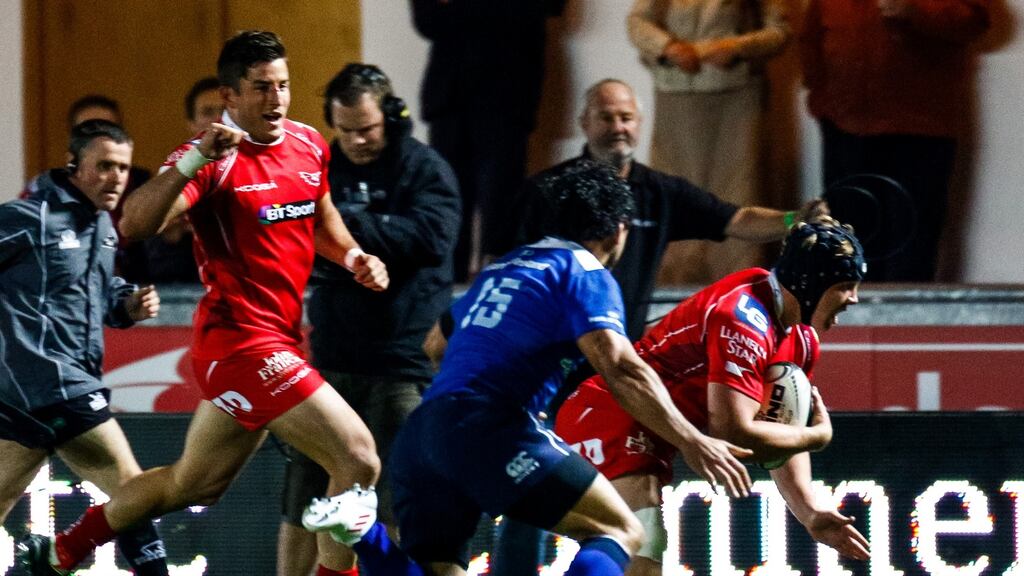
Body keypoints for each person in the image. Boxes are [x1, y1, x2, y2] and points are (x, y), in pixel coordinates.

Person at [15, 30, 389, 576]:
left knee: (194, 484)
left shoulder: (309, 143)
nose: (276, 100)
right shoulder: (215, 158)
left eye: (283, 86)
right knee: (357, 458)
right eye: (261, 88)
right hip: (240, 345)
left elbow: (321, 217)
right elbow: (136, 225)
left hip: (276, 344)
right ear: (230, 96)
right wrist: (192, 161)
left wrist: (354, 255)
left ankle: (61, 552)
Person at [302, 161, 754, 576]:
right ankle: (367, 533)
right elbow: (622, 367)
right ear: (619, 230)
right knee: (620, 531)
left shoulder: (506, 267)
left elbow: (435, 346)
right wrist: (693, 440)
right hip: (492, 424)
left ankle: (366, 535)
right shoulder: (584, 272)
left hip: (425, 432)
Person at [555, 219, 872, 574]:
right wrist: (818, 436)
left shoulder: (801, 339)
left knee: (635, 547)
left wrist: (809, 509)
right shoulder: (743, 318)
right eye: (845, 286)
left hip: (652, 429)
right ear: (811, 283)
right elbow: (733, 432)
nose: (854, 298)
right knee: (640, 545)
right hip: (611, 412)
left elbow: (780, 429)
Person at [276, 63, 460, 576]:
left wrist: (343, 230)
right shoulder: (322, 169)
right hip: (330, 361)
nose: (357, 140)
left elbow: (432, 238)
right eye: (346, 129)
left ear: (392, 117)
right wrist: (356, 240)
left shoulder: (425, 169)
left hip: (400, 367)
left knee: (388, 499)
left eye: (368, 129)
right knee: (304, 496)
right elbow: (295, 241)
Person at [505, 79, 827, 340]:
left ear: (639, 123)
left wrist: (794, 219)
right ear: (584, 123)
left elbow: (737, 219)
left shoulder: (660, 192)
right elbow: (506, 265)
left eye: (626, 117)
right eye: (606, 117)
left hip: (619, 348)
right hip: (546, 349)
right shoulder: (546, 190)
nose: (618, 127)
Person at [1, 119, 167, 575]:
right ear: (75, 165)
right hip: (55, 384)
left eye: (125, 168)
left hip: (32, 401)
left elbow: (91, 296)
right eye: (105, 166)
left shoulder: (105, 229)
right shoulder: (29, 219)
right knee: (134, 490)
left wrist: (126, 305)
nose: (116, 178)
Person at [800, 0, 990, 281]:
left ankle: (906, 321)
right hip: (845, 123)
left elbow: (975, 21)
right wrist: (822, 96)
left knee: (912, 242)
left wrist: (916, 11)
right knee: (848, 237)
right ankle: (853, 319)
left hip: (919, 127)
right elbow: (811, 35)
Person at [627, 0, 792, 284]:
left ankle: (741, 288)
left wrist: (737, 46)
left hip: (736, 99)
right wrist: (667, 46)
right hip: (675, 97)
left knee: (739, 191)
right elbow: (637, 21)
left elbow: (780, 30)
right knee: (673, 192)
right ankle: (675, 288)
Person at [410, 0, 565, 281]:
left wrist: (456, 9)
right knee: (447, 199)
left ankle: (498, 290)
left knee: (501, 205)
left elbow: (541, 9)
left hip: (507, 94)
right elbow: (427, 20)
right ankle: (445, 291)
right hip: (450, 96)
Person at [142, 77, 224, 284]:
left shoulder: (261, 170)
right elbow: (156, 272)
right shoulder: (174, 176)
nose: (218, 119)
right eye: (207, 112)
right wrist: (172, 239)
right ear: (191, 123)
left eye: (224, 110)